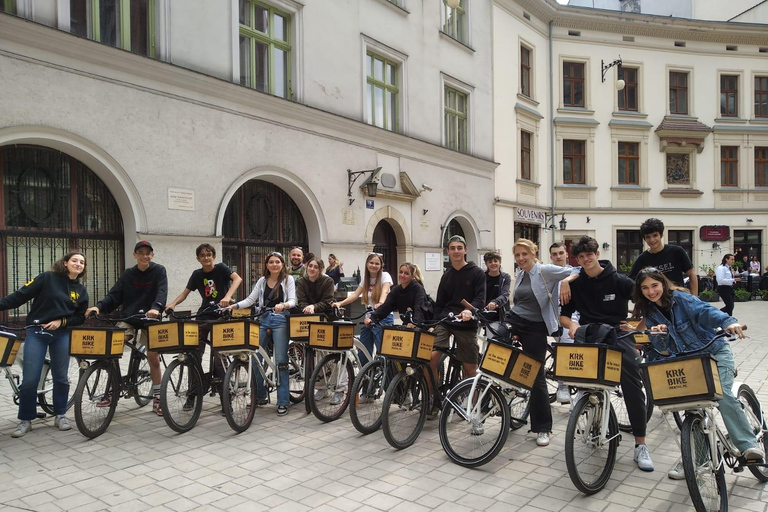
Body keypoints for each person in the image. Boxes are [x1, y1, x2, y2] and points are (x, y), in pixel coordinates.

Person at [632, 267, 763, 480]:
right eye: (645, 288)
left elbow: (706, 311)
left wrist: (729, 322)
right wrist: (657, 336)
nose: (650, 291)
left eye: (654, 285)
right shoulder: (650, 313)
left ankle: (748, 446)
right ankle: (696, 459)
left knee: (722, 395)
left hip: (714, 353)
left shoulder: (682, 299)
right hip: (688, 363)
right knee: (692, 408)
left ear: (663, 283)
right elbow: (661, 350)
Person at [560, 236, 654, 471]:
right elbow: (563, 315)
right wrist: (572, 326)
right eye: (580, 257)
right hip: (589, 336)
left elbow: (648, 304)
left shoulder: (620, 281)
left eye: (589, 254)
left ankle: (640, 444)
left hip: (618, 336)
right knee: (582, 380)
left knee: (632, 386)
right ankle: (587, 412)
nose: (585, 259)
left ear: (597, 254)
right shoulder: (575, 283)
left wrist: (637, 328)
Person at [0, 252, 88, 437]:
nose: (78, 264)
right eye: (74, 260)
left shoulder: (81, 291)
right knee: (30, 378)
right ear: (65, 263)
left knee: (61, 377)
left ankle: (60, 415)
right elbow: (19, 296)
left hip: (61, 335)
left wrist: (61, 322)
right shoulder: (47, 278)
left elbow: (79, 317)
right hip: (37, 332)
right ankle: (25, 419)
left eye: (81, 262)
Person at [503, 239, 577, 446]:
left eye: (524, 254)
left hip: (535, 326)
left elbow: (577, 269)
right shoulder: (521, 274)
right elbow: (518, 303)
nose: (520, 258)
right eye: (517, 255)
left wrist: (565, 281)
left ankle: (543, 427)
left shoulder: (545, 270)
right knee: (495, 341)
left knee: (536, 375)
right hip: (515, 319)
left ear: (533, 253)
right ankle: (501, 391)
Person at [86, 241, 167, 415]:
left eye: (148, 253)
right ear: (135, 255)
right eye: (141, 252)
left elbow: (162, 291)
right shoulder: (128, 274)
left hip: (150, 317)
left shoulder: (159, 270)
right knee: (113, 347)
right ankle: (113, 389)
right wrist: (98, 307)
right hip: (129, 317)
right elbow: (114, 295)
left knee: (153, 356)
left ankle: (158, 398)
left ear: (152, 255)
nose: (144, 256)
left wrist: (156, 307)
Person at [164, 244, 243, 404]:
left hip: (221, 315)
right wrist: (172, 304)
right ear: (198, 259)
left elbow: (237, 279)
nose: (206, 258)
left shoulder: (221, 268)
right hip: (204, 314)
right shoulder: (197, 274)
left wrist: (227, 297)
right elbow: (185, 293)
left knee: (218, 356)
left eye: (209, 255)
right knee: (193, 354)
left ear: (213, 256)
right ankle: (194, 392)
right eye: (202, 255)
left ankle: (225, 397)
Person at [227, 252, 295, 416]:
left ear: (282, 264)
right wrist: (234, 306)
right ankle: (260, 395)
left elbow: (293, 301)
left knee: (281, 360)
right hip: (263, 319)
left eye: (277, 262)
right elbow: (250, 300)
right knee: (256, 357)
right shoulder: (262, 281)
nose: (274, 265)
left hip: (280, 320)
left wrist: (283, 305)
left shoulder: (288, 280)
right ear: (267, 265)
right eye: (271, 262)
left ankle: (283, 400)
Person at [427, 235, 485, 419]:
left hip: (466, 323)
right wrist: (433, 324)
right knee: (430, 359)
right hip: (446, 321)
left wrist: (470, 311)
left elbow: (480, 299)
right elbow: (440, 304)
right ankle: (432, 399)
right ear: (448, 251)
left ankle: (474, 408)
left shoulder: (476, 273)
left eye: (459, 248)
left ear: (465, 250)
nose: (456, 251)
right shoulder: (447, 275)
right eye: (452, 248)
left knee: (470, 368)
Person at [332, 253, 393, 366]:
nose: (374, 265)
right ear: (366, 264)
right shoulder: (365, 279)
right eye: (371, 263)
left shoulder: (385, 276)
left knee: (383, 352)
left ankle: (388, 378)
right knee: (363, 350)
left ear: (381, 266)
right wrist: (341, 303)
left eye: (377, 263)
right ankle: (366, 379)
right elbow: (355, 295)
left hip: (383, 317)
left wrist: (380, 303)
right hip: (368, 317)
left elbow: (385, 291)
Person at [628, 218, 697, 296]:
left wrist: (694, 299)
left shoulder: (676, 251)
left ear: (661, 235)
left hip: (678, 298)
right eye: (648, 237)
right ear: (644, 239)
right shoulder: (642, 259)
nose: (652, 240)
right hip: (655, 301)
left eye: (655, 235)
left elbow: (691, 274)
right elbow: (631, 282)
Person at [550, 241, 579, 405]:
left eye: (561, 253)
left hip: (570, 315)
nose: (558, 256)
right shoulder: (547, 271)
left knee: (570, 347)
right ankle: (562, 386)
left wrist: (566, 281)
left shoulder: (573, 270)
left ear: (566, 254)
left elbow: (580, 270)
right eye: (555, 254)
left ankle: (567, 385)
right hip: (551, 316)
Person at [366, 262, 427, 328]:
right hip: (407, 324)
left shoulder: (418, 288)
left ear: (412, 276)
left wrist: (415, 323)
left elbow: (419, 307)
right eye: (401, 272)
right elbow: (386, 306)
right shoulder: (396, 290)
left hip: (424, 324)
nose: (402, 275)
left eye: (406, 273)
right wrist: (372, 318)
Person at [483, 251, 511, 321]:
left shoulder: (505, 277)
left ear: (500, 262)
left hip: (500, 314)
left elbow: (505, 294)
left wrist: (495, 302)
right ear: (486, 264)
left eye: (495, 261)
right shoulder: (482, 277)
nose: (493, 264)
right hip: (484, 313)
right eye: (490, 262)